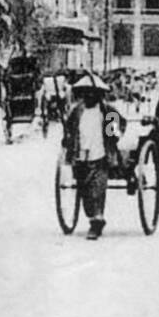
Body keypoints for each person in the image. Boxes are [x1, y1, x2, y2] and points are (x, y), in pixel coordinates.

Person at [62, 73, 125, 240]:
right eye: (86, 93)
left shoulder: (107, 111)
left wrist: (113, 133)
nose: (89, 96)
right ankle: (93, 216)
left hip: (101, 155)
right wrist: (67, 142)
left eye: (93, 93)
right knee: (84, 190)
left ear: (99, 95)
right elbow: (69, 130)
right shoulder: (77, 111)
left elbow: (117, 130)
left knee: (97, 189)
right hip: (80, 155)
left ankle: (97, 221)